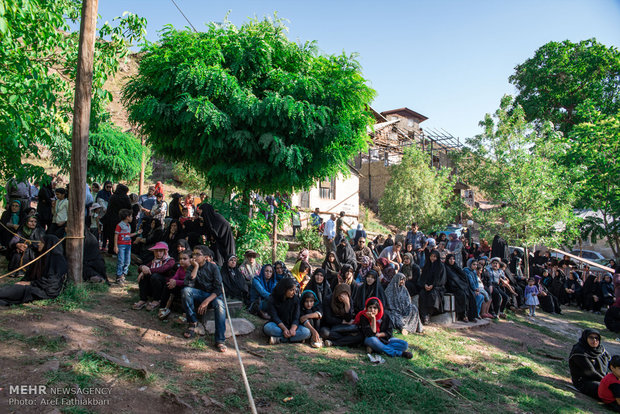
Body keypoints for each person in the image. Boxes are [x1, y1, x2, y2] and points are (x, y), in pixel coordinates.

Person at [181, 245, 227, 352]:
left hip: (212, 296)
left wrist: (206, 301)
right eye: (194, 254)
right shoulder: (192, 267)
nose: (195, 256)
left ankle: (220, 340)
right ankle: (192, 323)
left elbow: (218, 288)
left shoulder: (213, 267)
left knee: (220, 305)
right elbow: (188, 284)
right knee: (185, 291)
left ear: (205, 257)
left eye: (198, 254)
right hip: (199, 294)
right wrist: (196, 267)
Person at [0, 235, 66, 306]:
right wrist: (25, 282)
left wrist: (30, 283)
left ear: (48, 245)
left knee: (13, 290)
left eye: (41, 242)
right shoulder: (42, 257)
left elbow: (52, 282)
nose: (38, 244)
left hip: (43, 291)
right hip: (36, 287)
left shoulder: (58, 260)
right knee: (11, 289)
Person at [263, 278, 311, 344]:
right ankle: (295, 339)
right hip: (278, 326)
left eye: (295, 290)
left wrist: (293, 329)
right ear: (284, 290)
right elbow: (275, 317)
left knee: (306, 332)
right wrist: (284, 329)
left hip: (292, 326)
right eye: (291, 290)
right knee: (268, 328)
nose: (294, 292)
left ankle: (279, 339)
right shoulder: (273, 299)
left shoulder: (295, 300)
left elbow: (296, 317)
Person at [133, 242, 176, 311]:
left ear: (165, 251)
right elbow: (142, 268)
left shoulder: (170, 261)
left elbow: (162, 269)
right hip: (153, 286)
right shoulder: (154, 261)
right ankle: (143, 299)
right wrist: (142, 268)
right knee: (145, 276)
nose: (158, 253)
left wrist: (146, 270)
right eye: (156, 251)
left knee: (155, 276)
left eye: (160, 251)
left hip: (164, 286)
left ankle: (156, 300)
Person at [569, 329, 611, 399]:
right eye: (591, 337)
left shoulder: (601, 350)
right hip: (585, 381)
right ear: (585, 338)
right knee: (607, 390)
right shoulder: (579, 352)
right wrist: (608, 382)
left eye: (596, 338)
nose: (594, 340)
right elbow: (590, 372)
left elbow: (612, 365)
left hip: (603, 379)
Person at [158, 250, 197, 320]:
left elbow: (188, 282)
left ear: (191, 260)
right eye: (180, 259)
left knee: (185, 290)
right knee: (168, 286)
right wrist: (172, 281)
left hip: (187, 289)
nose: (181, 261)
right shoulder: (180, 268)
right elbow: (175, 276)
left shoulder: (192, 269)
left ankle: (185, 313)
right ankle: (163, 307)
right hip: (178, 287)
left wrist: (176, 282)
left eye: (184, 259)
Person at [445, 254, 478, 322]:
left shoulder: (456, 267)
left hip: (461, 286)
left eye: (453, 259)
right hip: (452, 287)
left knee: (471, 294)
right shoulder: (446, 267)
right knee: (462, 295)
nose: (452, 261)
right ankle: (463, 315)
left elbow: (463, 276)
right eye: (450, 259)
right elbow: (449, 279)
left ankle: (472, 316)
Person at [418, 249, 446, 324]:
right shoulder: (427, 266)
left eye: (434, 257)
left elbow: (441, 280)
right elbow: (423, 278)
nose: (433, 258)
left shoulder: (441, 267)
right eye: (431, 256)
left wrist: (433, 285)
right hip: (426, 287)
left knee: (432, 295)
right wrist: (425, 285)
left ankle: (428, 315)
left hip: (437, 287)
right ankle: (424, 316)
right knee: (422, 294)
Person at [102, 184, 131, 254]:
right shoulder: (125, 198)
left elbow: (109, 209)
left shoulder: (113, 197)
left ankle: (111, 250)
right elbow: (129, 209)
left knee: (112, 235)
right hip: (122, 220)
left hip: (111, 219)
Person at [114, 209, 140, 285]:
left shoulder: (128, 226)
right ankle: (119, 276)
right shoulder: (119, 225)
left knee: (127, 261)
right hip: (121, 245)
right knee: (121, 260)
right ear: (127, 217)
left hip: (128, 245)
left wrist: (136, 233)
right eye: (131, 216)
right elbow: (116, 235)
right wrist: (115, 246)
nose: (132, 217)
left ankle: (123, 275)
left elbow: (128, 235)